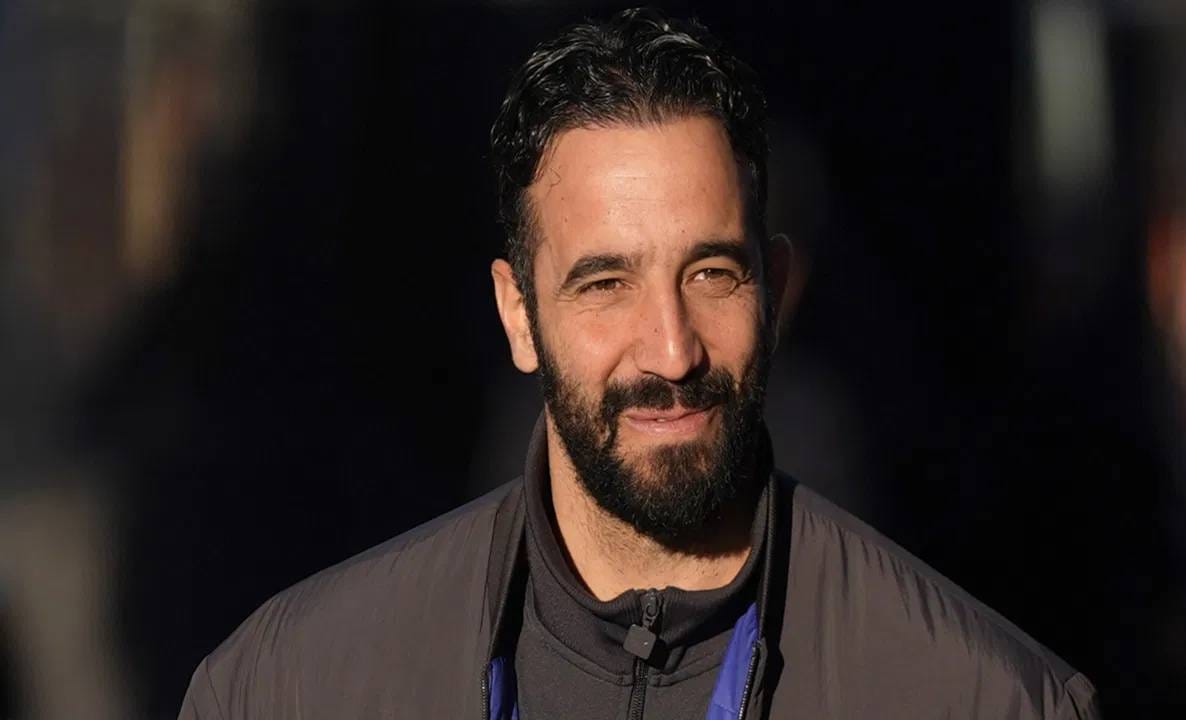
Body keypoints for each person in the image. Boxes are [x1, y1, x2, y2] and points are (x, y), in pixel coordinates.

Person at [177, 9, 1100, 718]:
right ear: (518, 314)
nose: (671, 349)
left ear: (776, 290)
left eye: (711, 274)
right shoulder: (286, 688)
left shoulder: (982, 698)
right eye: (606, 284)